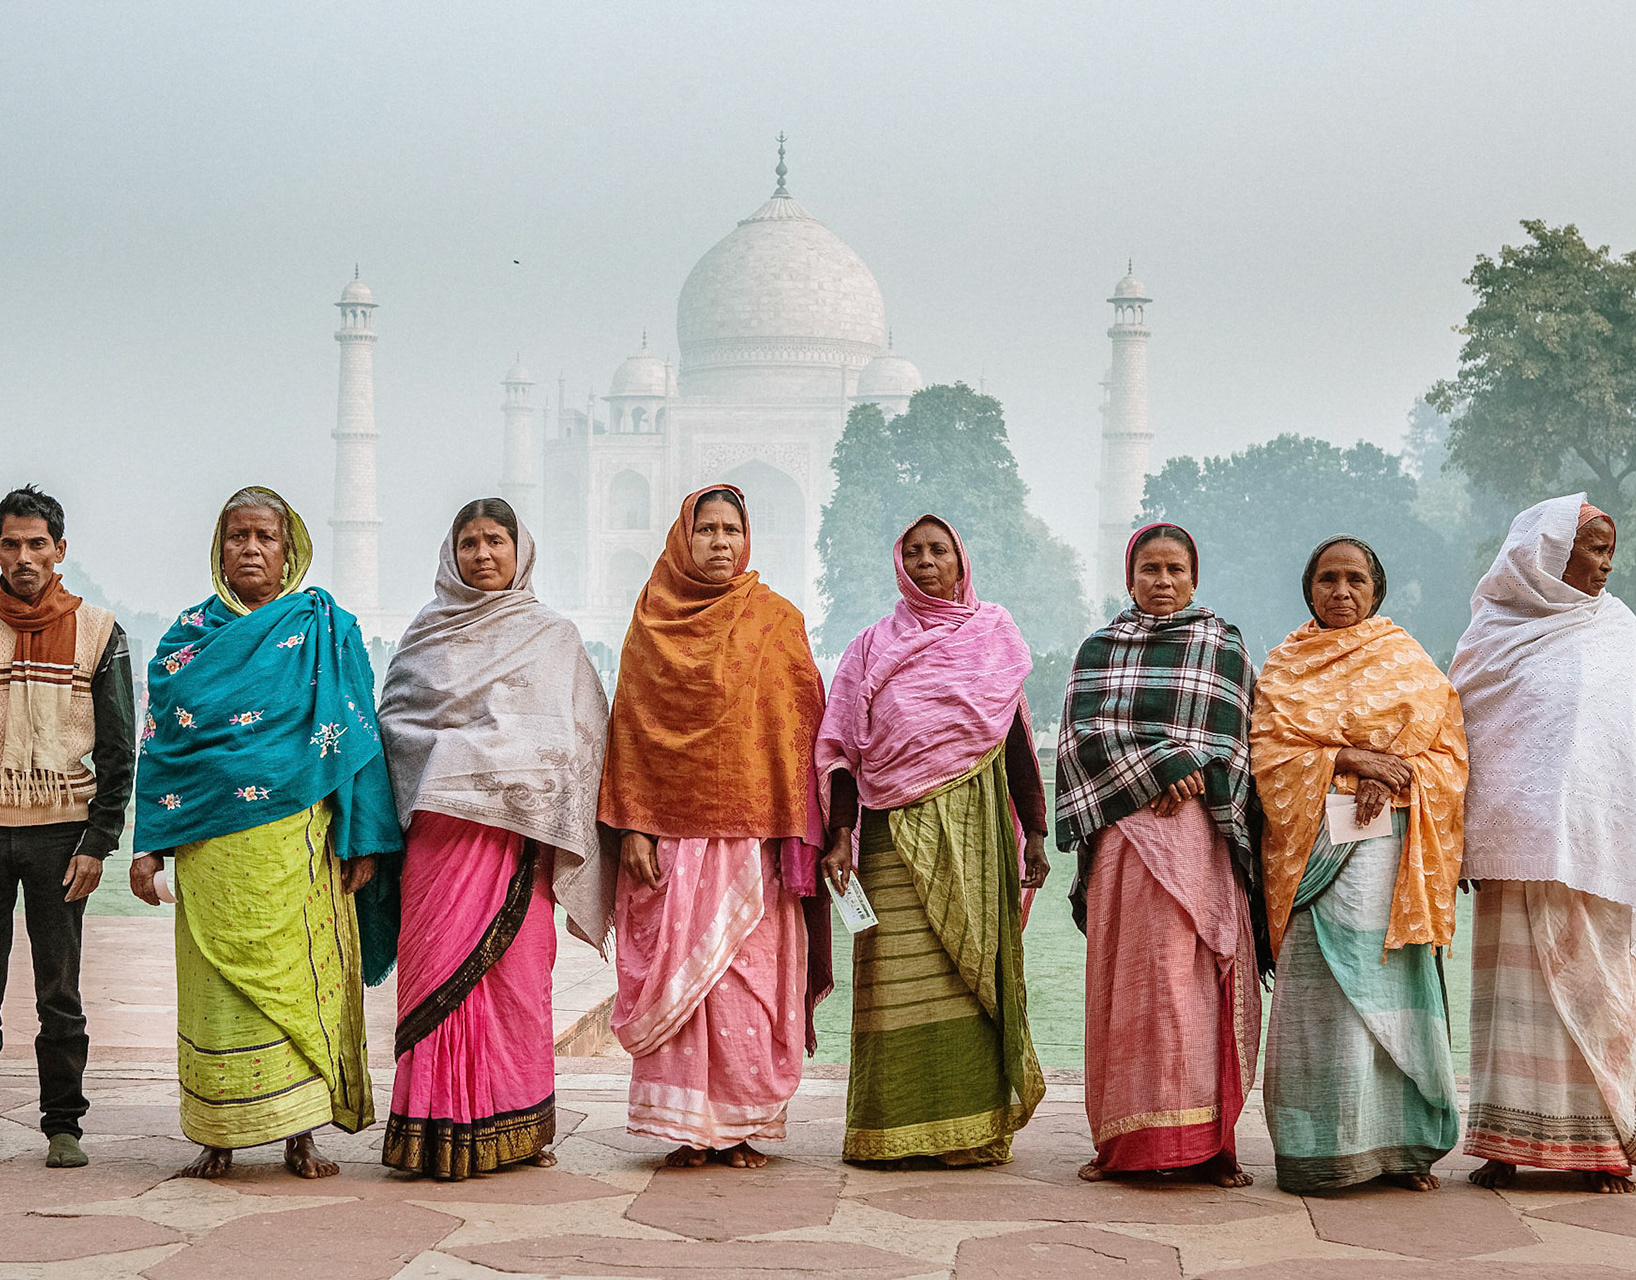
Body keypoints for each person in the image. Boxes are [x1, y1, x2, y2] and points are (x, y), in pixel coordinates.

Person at [129, 486, 401, 1180]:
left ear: (290, 552)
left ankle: (300, 1136)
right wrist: (149, 844)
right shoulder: (185, 642)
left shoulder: (323, 630)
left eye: (265, 538)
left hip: (300, 848)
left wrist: (364, 838)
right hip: (211, 854)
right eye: (237, 536)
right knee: (219, 991)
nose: (250, 549)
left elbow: (359, 738)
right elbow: (161, 747)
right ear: (220, 549)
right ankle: (217, 1135)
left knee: (303, 988)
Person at [377, 498, 614, 1180]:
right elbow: (395, 728)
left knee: (515, 987)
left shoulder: (552, 638)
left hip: (517, 843)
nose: (483, 555)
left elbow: (581, 741)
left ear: (521, 550)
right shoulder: (425, 637)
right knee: (435, 980)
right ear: (451, 555)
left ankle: (515, 1125)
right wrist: (471, 761)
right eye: (470, 543)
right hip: (440, 845)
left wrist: (497, 765)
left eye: (495, 541)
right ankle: (430, 1129)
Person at [599, 484, 829, 1170]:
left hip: (752, 843)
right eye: (707, 531)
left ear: (747, 537)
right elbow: (629, 732)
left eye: (732, 529)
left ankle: (739, 1127)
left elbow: (801, 729)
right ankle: (687, 1130)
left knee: (747, 985)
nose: (720, 542)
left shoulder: (774, 621)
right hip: (671, 841)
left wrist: (795, 832)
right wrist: (633, 827)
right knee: (684, 985)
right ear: (684, 538)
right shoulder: (651, 623)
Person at [816, 514, 1047, 1167]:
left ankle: (967, 1131)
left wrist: (1034, 832)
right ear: (899, 563)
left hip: (977, 831)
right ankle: (889, 1129)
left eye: (937, 550)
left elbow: (1018, 743)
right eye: (913, 552)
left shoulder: (994, 636)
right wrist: (839, 835)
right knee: (895, 978)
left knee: (966, 972)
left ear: (959, 560)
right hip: (889, 835)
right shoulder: (869, 648)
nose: (925, 561)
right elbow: (842, 751)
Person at [1251, 536, 1467, 1194]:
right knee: (1320, 1007)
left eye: (1354, 580)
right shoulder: (1286, 665)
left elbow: (1449, 755)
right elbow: (1267, 754)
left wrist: (1395, 777)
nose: (1340, 591)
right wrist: (1350, 761)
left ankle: (1403, 1149)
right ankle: (1318, 1150)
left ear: (1376, 591)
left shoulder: (1406, 660)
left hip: (1388, 861)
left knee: (1386, 996)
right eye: (1327, 579)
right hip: (1313, 862)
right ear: (1308, 588)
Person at [1055, 523, 1263, 1188]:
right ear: (1130, 577)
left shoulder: (1223, 646)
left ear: (1194, 576)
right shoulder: (1100, 648)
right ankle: (1124, 1143)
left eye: (1176, 569)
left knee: (1195, 984)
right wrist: (1160, 765)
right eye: (1151, 569)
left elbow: (1240, 744)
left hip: (1200, 841)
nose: (1164, 581)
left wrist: (1189, 769)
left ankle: (1207, 1145)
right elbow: (1081, 737)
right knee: (1130, 986)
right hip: (1127, 844)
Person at [1451, 495, 1636, 1195]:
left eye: (1609, 548)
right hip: (1514, 856)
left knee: (1600, 988)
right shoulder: (1492, 633)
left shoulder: (1619, 631)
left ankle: (1605, 1146)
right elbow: (1465, 742)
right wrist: (1467, 842)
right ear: (1547, 550)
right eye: (1592, 546)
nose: (1606, 562)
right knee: (1510, 1001)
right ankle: (1506, 1142)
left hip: (1597, 853)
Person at [0, 485, 135, 1169]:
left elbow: (118, 749)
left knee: (59, 991)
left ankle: (63, 1126)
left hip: (62, 835)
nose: (23, 557)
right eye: (10, 544)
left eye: (35, 544)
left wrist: (99, 841)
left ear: (59, 550)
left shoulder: (99, 630)